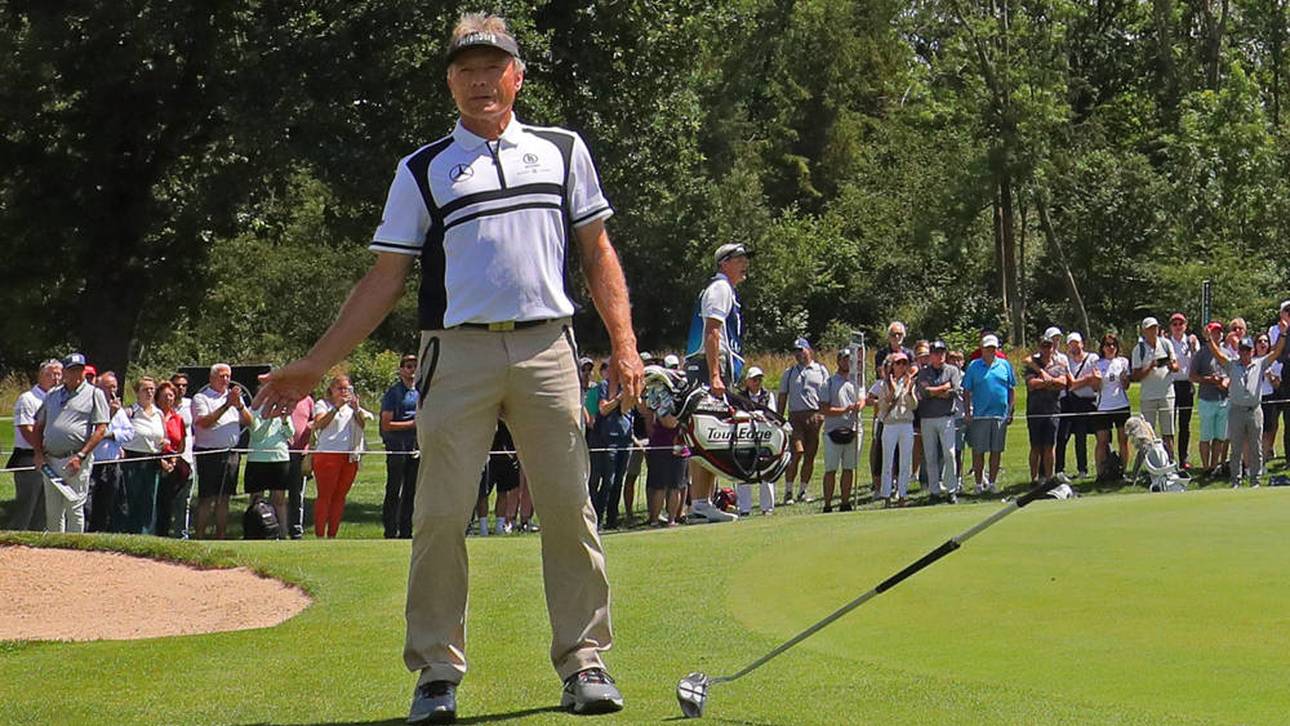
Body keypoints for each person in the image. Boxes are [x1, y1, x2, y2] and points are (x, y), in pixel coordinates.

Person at [251, 13, 640, 719]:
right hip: (452, 352)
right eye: (466, 70)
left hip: (547, 347)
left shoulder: (561, 150)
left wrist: (625, 343)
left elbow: (597, 252)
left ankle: (584, 662)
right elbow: (384, 279)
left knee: (567, 507)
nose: (480, 81)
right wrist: (317, 362)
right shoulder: (422, 168)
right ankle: (435, 672)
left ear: (517, 76)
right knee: (438, 514)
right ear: (449, 83)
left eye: (493, 68)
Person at [682, 241, 751, 523]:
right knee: (707, 433)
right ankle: (699, 502)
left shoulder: (727, 291)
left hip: (715, 367)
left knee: (710, 435)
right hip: (709, 367)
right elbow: (712, 332)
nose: (745, 263)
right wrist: (714, 376)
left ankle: (703, 502)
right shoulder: (720, 289)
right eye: (739, 258)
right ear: (724, 262)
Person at [30, 353, 109, 533]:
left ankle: (74, 551)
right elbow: (38, 425)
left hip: (76, 459)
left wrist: (81, 456)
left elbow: (101, 429)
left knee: (74, 506)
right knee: (53, 510)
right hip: (50, 459)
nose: (77, 375)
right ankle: (56, 551)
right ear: (65, 372)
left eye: (80, 370)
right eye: (72, 370)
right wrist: (38, 453)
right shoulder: (52, 394)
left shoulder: (94, 394)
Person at [1207, 322, 1288, 487]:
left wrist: (1284, 334)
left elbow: (1277, 351)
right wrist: (1209, 340)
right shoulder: (1232, 364)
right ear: (1239, 351)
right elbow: (1217, 354)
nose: (1245, 354)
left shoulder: (1259, 363)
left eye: (1248, 350)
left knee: (1256, 448)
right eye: (1242, 350)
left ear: (1252, 351)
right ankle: (1235, 480)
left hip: (1254, 410)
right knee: (1236, 447)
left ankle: (1255, 480)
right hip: (1236, 410)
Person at [192, 363, 252, 540]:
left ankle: (221, 537)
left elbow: (249, 421)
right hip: (209, 454)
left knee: (224, 498)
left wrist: (239, 406)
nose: (225, 380)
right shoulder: (201, 398)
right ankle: (200, 536)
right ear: (212, 378)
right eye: (221, 376)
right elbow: (204, 422)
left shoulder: (234, 398)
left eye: (228, 376)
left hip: (231, 453)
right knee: (206, 499)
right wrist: (226, 405)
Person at [311, 374, 372, 538]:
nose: (344, 392)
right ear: (332, 389)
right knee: (325, 496)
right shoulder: (322, 404)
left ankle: (332, 535)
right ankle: (319, 534)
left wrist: (357, 408)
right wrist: (336, 407)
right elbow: (319, 423)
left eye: (347, 388)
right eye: (340, 388)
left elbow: (362, 424)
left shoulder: (351, 407)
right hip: (327, 454)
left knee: (340, 496)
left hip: (349, 456)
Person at [8, 359, 61, 531]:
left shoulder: (58, 399)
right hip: (30, 457)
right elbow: (26, 429)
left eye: (59, 374)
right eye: (51, 374)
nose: (56, 378)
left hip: (51, 457)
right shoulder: (28, 399)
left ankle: (37, 545)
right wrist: (41, 450)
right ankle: (15, 540)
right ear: (40, 376)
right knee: (27, 504)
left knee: (44, 505)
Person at [961, 334, 1016, 493]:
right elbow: (966, 391)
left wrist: (1010, 411)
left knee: (996, 450)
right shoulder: (974, 366)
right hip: (980, 415)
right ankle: (979, 484)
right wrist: (967, 412)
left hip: (1000, 415)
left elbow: (1011, 389)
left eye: (993, 348)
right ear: (982, 349)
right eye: (987, 348)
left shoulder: (1004, 365)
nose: (991, 351)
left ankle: (992, 483)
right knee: (978, 451)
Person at [778, 337, 828, 505]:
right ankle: (789, 490)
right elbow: (783, 396)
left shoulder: (820, 370)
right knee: (796, 453)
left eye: (801, 350)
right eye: (796, 351)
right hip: (796, 418)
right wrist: (779, 418)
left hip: (814, 417)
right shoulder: (789, 373)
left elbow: (827, 394)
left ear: (809, 350)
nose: (798, 354)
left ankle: (803, 490)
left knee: (810, 456)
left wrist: (824, 414)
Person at [86, 370, 135, 532]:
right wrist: (110, 415)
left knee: (108, 504)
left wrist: (111, 435)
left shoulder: (119, 410)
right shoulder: (91, 406)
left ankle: (101, 533)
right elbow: (92, 432)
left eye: (114, 387)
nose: (112, 391)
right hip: (94, 464)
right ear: (98, 388)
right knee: (89, 505)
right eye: (108, 387)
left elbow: (129, 433)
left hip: (112, 464)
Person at [119, 377, 166, 534]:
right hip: (133, 459)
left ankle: (145, 533)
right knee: (131, 498)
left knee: (149, 500)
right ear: (137, 392)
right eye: (146, 389)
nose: (150, 392)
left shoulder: (159, 414)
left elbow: (162, 437)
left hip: (152, 460)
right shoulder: (130, 412)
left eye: (152, 389)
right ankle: (128, 531)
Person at [381, 354, 421, 539]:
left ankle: (406, 530)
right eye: (408, 366)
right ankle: (390, 530)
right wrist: (413, 424)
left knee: (411, 490)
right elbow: (386, 424)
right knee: (394, 489)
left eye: (415, 366)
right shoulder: (394, 393)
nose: (412, 370)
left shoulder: (421, 391)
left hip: (416, 446)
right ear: (401, 369)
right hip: (397, 446)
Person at [916, 340, 961, 503]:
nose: (939, 356)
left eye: (942, 352)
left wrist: (936, 390)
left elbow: (955, 392)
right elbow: (924, 392)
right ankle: (934, 491)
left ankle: (951, 490)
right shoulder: (923, 372)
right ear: (931, 355)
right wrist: (943, 388)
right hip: (927, 418)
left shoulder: (952, 370)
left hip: (946, 417)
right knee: (930, 456)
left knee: (949, 454)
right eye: (936, 353)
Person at [590, 370, 635, 530]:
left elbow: (626, 410)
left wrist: (630, 395)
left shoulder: (630, 387)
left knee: (618, 482)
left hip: (626, 439)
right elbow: (603, 409)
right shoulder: (605, 386)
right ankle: (598, 519)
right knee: (608, 481)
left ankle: (612, 519)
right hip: (609, 438)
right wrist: (619, 397)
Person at [1130, 317, 1179, 460]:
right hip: (1148, 396)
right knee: (1147, 434)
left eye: (1155, 328)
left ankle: (1170, 462)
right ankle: (1151, 465)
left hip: (1167, 394)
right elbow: (1136, 376)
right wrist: (1150, 366)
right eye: (1150, 328)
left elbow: (1176, 366)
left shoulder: (1166, 344)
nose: (1154, 331)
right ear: (1144, 331)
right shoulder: (1139, 350)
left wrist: (1170, 365)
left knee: (1168, 431)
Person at [820, 351, 864, 512]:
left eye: (850, 360)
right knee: (831, 469)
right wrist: (844, 410)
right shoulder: (829, 383)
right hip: (833, 431)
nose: (847, 362)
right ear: (838, 361)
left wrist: (860, 405)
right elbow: (823, 409)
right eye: (844, 359)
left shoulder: (857, 381)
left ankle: (845, 503)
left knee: (848, 468)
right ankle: (827, 504)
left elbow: (863, 398)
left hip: (853, 429)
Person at [246, 401, 296, 533]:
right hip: (257, 459)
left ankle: (283, 532)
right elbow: (257, 436)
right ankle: (255, 531)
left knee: (279, 499)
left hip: (280, 458)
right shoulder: (254, 409)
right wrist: (271, 417)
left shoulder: (282, 408)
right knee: (256, 499)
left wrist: (284, 420)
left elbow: (290, 434)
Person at [875, 351, 918, 505]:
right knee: (887, 461)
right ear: (892, 366)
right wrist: (892, 392)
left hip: (906, 423)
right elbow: (882, 407)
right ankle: (886, 495)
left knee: (905, 461)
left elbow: (914, 405)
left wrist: (907, 391)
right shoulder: (884, 383)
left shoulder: (910, 383)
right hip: (890, 424)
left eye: (904, 363)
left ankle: (902, 495)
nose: (902, 366)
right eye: (898, 363)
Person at [1190, 321, 1230, 477]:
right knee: (1206, 436)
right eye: (1214, 332)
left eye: (1219, 332)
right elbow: (1192, 376)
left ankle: (1215, 466)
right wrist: (1209, 380)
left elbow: (1232, 373)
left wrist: (1224, 382)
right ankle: (1206, 467)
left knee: (1220, 436)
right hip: (1207, 399)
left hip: (1223, 399)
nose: (1217, 334)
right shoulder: (1201, 354)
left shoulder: (1226, 352)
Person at [735, 366, 777, 516]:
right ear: (747, 381)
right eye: (754, 379)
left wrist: (761, 415)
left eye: (759, 379)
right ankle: (744, 508)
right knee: (744, 472)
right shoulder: (739, 397)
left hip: (764, 438)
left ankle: (768, 507)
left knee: (766, 471)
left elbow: (772, 414)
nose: (757, 382)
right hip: (745, 438)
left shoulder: (768, 396)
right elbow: (736, 414)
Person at [1056, 333, 1098, 479]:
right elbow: (1071, 385)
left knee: (1095, 435)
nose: (1074, 346)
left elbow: (1097, 380)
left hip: (1091, 401)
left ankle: (1094, 467)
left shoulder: (1092, 358)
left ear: (1082, 343)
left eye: (1076, 343)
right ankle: (1069, 470)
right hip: (1072, 402)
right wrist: (1086, 379)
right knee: (1071, 436)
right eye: (1071, 344)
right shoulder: (1065, 360)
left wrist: (1081, 382)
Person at [1024, 337, 1067, 483]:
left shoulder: (1059, 365)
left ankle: (1049, 479)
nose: (1047, 349)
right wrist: (1049, 382)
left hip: (1053, 410)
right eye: (1044, 346)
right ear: (1039, 347)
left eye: (1049, 346)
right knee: (1035, 446)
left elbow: (1062, 383)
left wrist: (1048, 381)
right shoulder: (1032, 365)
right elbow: (1032, 384)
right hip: (1035, 410)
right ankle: (1034, 479)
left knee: (1049, 446)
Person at [153, 381, 190, 538]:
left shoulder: (178, 418)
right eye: (165, 395)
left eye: (171, 395)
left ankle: (164, 534)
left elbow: (181, 445)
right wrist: (160, 460)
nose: (169, 398)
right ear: (158, 397)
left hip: (173, 465)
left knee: (167, 504)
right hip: (154, 461)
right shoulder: (153, 415)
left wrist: (173, 459)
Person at [1092, 334, 1132, 478]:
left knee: (1123, 440)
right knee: (1102, 442)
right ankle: (1100, 473)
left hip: (1121, 404)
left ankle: (1123, 471)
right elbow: (1095, 388)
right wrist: (1096, 380)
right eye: (1107, 345)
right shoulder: (1097, 363)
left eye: (1113, 344)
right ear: (1102, 348)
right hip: (1104, 407)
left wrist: (1124, 379)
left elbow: (1126, 386)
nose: (1111, 348)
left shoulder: (1123, 362)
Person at [1167, 313, 1200, 469]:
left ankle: (1183, 458)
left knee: (1184, 424)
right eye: (1175, 324)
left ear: (1185, 325)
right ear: (1171, 327)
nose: (1178, 327)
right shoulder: (1166, 343)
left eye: (1181, 324)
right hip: (1171, 385)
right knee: (1170, 424)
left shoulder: (1191, 341)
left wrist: (1193, 348)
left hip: (1186, 384)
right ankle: (1169, 458)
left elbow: (1196, 362)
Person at [167, 372, 196, 539]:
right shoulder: (164, 405)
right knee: (167, 499)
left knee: (184, 501)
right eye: (177, 385)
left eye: (184, 385)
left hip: (187, 458)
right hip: (168, 459)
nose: (181, 388)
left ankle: (182, 535)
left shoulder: (190, 405)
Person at [285, 395, 315, 540]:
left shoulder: (308, 400)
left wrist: (311, 425)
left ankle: (296, 530)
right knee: (276, 493)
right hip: (280, 452)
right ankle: (275, 528)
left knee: (297, 494)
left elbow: (315, 420)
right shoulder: (281, 396)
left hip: (301, 453)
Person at [1255, 333, 1283, 467]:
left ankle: (1263, 460)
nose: (1263, 344)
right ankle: (1251, 461)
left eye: (1265, 341)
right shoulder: (1251, 360)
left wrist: (1271, 377)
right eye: (1260, 341)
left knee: (1267, 430)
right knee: (1254, 431)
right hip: (1254, 399)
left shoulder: (1274, 362)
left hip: (1269, 397)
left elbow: (1278, 385)